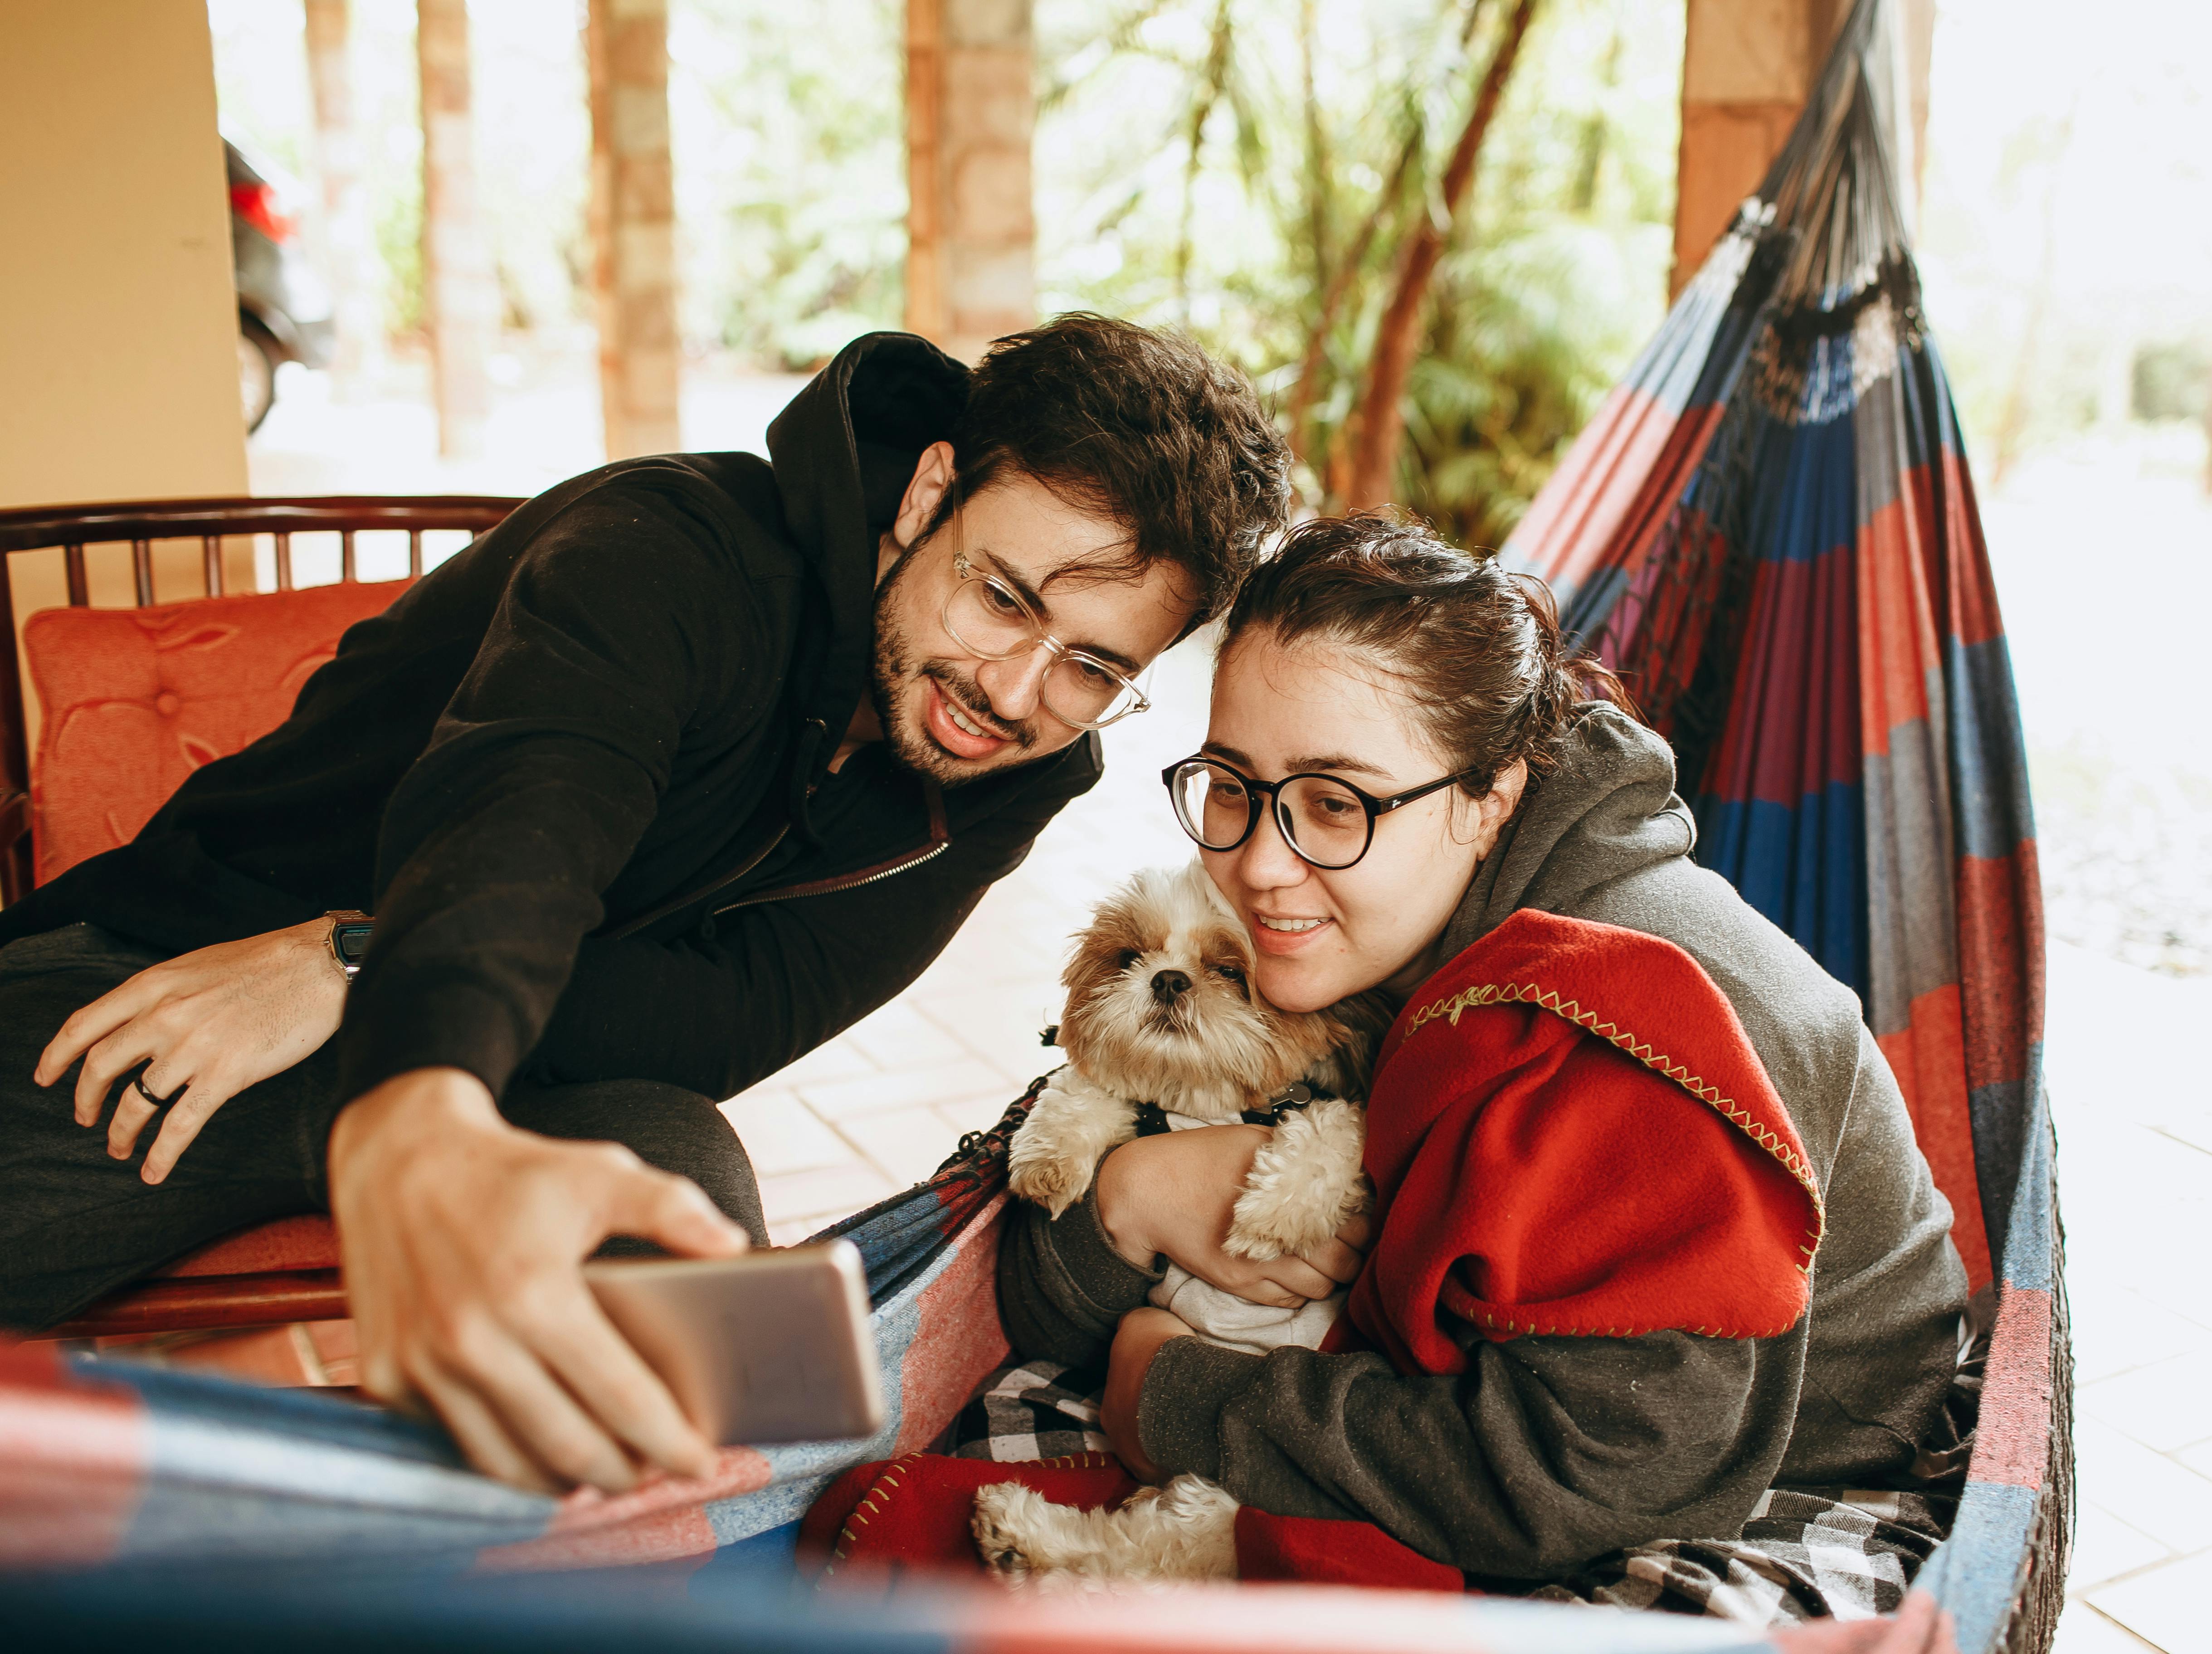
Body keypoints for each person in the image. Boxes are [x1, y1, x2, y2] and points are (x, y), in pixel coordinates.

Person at [0, 315, 1291, 1496]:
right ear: (930, 493)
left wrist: (353, 959)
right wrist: (408, 1066)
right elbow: (525, 824)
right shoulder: (669, 551)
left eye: (1093, 667)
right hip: (185, 972)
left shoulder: (1019, 776)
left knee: (700, 1243)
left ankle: (604, 1576)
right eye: (1004, 598)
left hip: (517, 1063)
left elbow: (723, 1027)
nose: (1014, 692)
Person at [995, 512, 1970, 1586]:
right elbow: (1035, 1294)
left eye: (1335, 803)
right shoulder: (1361, 937)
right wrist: (1132, 1196)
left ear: (1489, 798)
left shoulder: (1624, 1024)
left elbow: (1585, 1476)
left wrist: (1169, 1399)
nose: (1263, 864)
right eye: (1233, 786)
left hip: (1792, 1463)